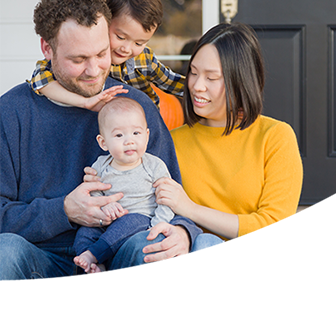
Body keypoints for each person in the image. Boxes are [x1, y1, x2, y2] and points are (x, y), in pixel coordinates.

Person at [0, 0, 201, 325]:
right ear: (47, 48)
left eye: (101, 54)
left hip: (121, 250)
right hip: (40, 258)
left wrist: (182, 230)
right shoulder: (11, 113)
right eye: (78, 59)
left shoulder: (134, 106)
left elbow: (172, 194)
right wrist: (64, 210)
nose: (94, 70)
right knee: (5, 251)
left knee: (149, 246)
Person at [150, 23, 303, 330]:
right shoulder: (172, 142)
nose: (196, 85)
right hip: (185, 288)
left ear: (239, 80)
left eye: (212, 77)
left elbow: (273, 228)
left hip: (257, 287)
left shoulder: (275, 137)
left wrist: (190, 209)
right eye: (193, 72)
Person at [73, 97, 175, 273]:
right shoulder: (100, 165)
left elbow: (167, 199)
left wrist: (158, 225)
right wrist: (105, 205)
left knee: (129, 222)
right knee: (84, 233)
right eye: (119, 135)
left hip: (140, 221)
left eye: (136, 133)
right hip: (106, 222)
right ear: (103, 142)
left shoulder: (154, 165)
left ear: (147, 135)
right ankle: (92, 265)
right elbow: (94, 193)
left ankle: (94, 255)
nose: (129, 141)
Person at [28, 0, 184, 111]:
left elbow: (173, 83)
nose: (127, 49)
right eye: (121, 37)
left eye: (139, 43)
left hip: (141, 124)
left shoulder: (144, 60)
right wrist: (84, 102)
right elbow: (40, 80)